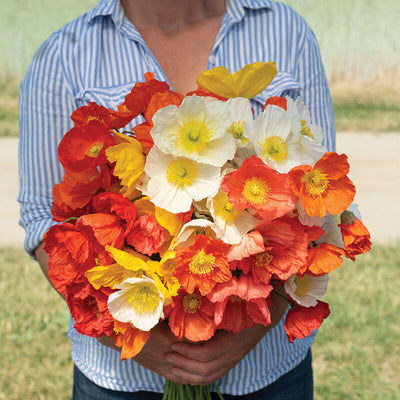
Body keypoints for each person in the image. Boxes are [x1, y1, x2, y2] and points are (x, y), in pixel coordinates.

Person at [18, 0, 336, 399]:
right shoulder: (63, 55)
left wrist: (250, 323)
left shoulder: (285, 31)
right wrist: (131, 331)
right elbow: (42, 218)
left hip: (267, 375)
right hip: (122, 382)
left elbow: (317, 199)